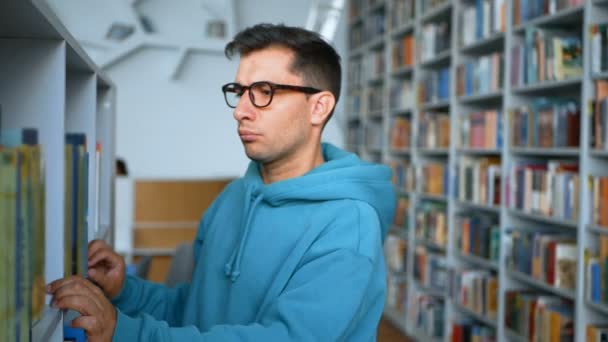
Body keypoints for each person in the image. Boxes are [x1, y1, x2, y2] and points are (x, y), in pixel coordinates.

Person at [47, 23, 396, 341]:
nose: (241, 109)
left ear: (318, 107)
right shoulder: (233, 197)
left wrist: (130, 333)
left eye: (263, 91)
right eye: (239, 90)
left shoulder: (350, 226)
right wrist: (127, 291)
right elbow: (196, 309)